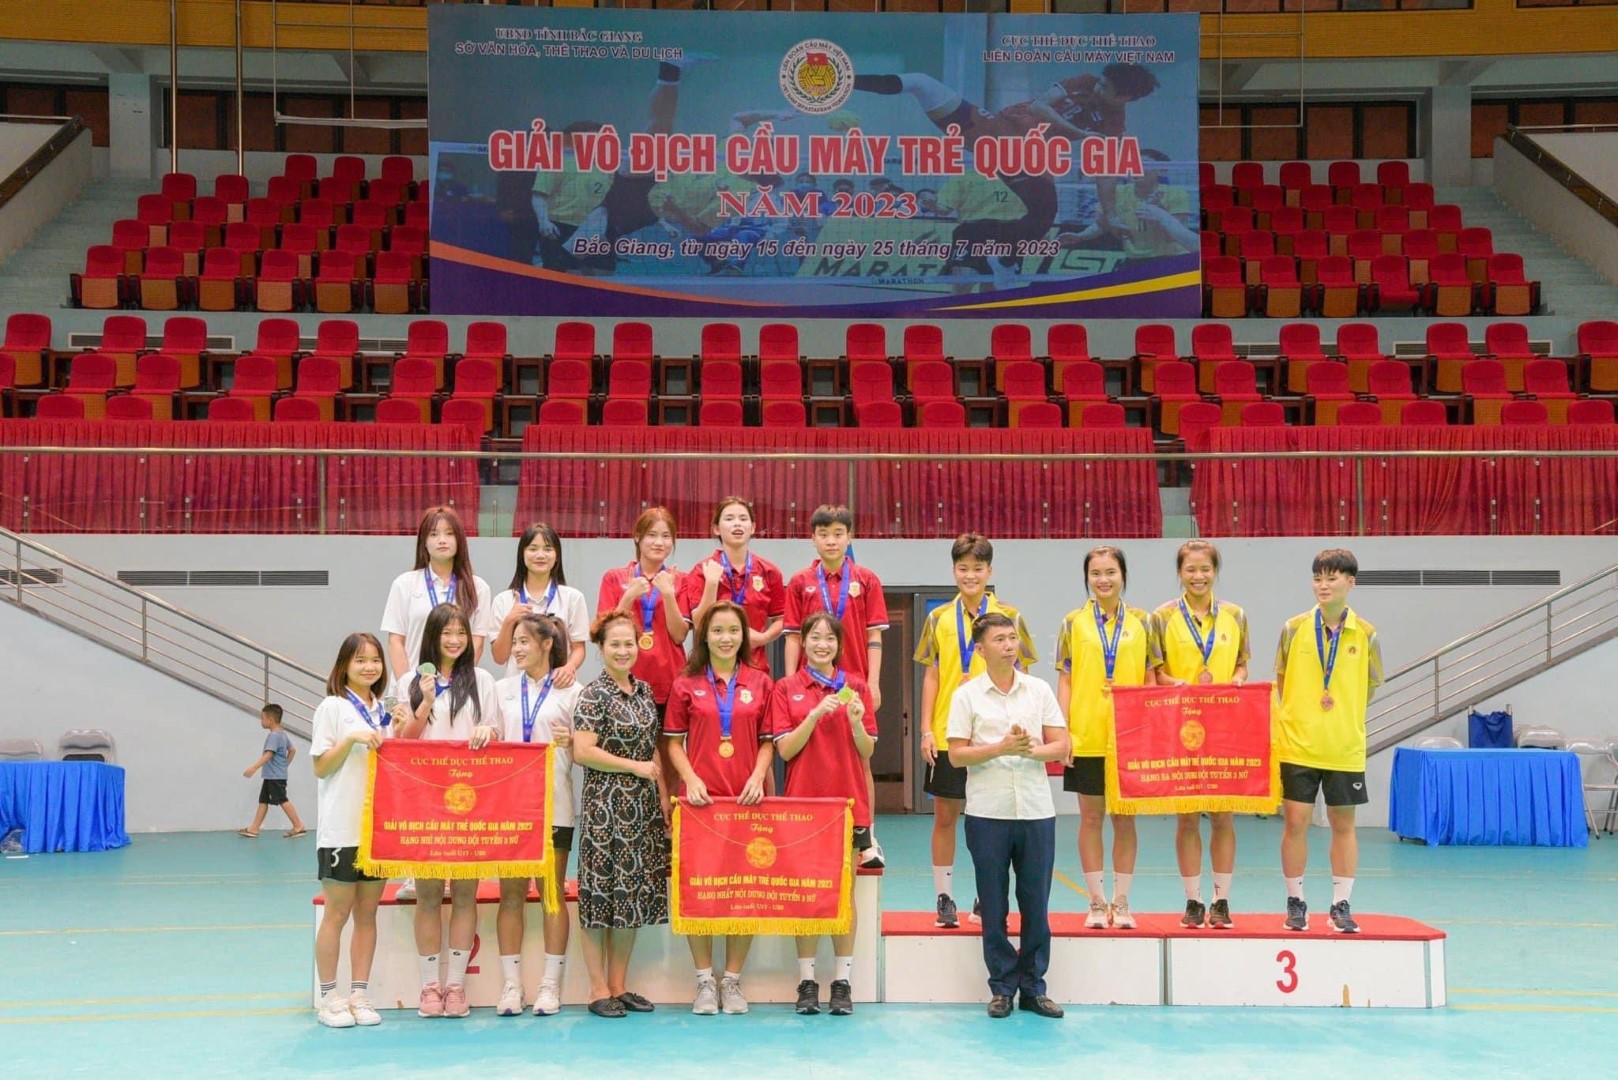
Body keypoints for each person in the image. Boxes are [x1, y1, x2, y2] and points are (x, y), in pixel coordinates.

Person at [852, 63, 1161, 283]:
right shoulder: (1085, 81)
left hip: (1027, 155)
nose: (1098, 87)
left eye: (1106, 88)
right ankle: (843, 82)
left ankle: (997, 255)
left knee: (1042, 216)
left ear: (1125, 98)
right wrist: (1080, 134)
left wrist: (1111, 214)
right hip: (994, 130)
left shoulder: (1113, 125)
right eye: (1100, 81)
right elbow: (1040, 107)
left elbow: (1105, 172)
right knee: (921, 81)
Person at [946, 613, 1070, 1020]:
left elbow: (1062, 745)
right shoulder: (966, 696)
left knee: (1036, 905)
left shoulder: (1038, 690)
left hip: (1036, 811)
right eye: (999, 639)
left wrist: (1029, 749)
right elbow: (956, 755)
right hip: (987, 813)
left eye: (1012, 638)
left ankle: (1033, 988)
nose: (1009, 645)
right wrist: (1000, 748)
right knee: (994, 905)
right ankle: (1002, 988)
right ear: (980, 649)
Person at [914, 533, 1036, 928]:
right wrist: (926, 729)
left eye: (978, 569)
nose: (970, 575)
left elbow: (1024, 672)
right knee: (945, 816)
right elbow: (931, 675)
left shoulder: (1010, 617)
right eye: (963, 568)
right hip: (951, 732)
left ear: (990, 571)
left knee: (995, 820)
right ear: (954, 571)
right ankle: (944, 897)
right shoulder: (937, 618)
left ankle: (988, 896)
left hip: (996, 734)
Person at [663, 601, 774, 1015]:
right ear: (704, 637)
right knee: (701, 893)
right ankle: (704, 983)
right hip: (700, 806)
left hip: (746, 804)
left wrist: (757, 777)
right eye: (717, 631)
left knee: (742, 893)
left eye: (733, 631)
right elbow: (673, 743)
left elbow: (767, 742)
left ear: (744, 637)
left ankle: (732, 981)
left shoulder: (761, 682)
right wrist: (690, 778)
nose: (726, 638)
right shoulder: (685, 683)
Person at [395, 603, 500, 1018]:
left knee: (465, 893)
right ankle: (429, 987)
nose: (454, 640)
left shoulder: (483, 680)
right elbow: (403, 741)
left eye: (461, 633)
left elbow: (496, 732)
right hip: (425, 802)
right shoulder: (409, 680)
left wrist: (488, 730)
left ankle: (455, 986)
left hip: (470, 802)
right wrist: (424, 702)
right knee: (427, 895)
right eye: (446, 633)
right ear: (432, 637)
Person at [770, 611, 877, 1017]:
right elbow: (785, 750)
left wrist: (855, 724)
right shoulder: (787, 688)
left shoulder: (855, 687)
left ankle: (842, 981)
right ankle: (807, 981)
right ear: (803, 642)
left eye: (829, 639)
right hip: (803, 808)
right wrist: (814, 715)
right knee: (806, 895)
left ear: (839, 645)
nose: (821, 645)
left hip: (847, 806)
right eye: (814, 637)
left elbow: (867, 750)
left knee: (843, 894)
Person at [1275, 548, 1383, 934]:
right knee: (1295, 822)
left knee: (1343, 824)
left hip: (1343, 747)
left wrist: (1342, 716)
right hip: (1298, 744)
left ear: (1350, 583)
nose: (1323, 585)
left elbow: (1371, 685)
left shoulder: (1366, 634)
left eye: (1332, 578)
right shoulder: (1293, 629)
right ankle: (1295, 901)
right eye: (1318, 578)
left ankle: (1341, 903)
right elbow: (1282, 679)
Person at [1056, 545, 1161, 930]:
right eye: (1096, 573)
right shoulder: (1073, 623)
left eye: (1110, 572)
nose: (1103, 580)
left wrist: (1150, 730)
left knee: (1126, 821)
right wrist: (1063, 730)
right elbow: (1066, 679)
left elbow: (1150, 678)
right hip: (1086, 736)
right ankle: (1097, 902)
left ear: (1123, 576)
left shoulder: (1144, 622)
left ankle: (1122, 900)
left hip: (1130, 737)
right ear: (1087, 578)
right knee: (1090, 818)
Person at [1150, 540, 1252, 929]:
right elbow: (1155, 672)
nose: (1198, 576)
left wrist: (1238, 680)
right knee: (1188, 819)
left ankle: (1221, 901)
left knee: (1223, 816)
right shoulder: (1161, 617)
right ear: (1180, 573)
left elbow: (1242, 664)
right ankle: (1193, 901)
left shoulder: (1235, 615)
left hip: (1224, 728)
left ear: (1215, 572)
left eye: (1205, 569)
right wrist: (1173, 683)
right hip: (1182, 729)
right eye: (1190, 569)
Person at [573, 610, 669, 1018]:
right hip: (605, 808)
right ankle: (597, 989)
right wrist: (633, 768)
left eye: (629, 643)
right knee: (599, 896)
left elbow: (652, 749)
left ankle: (618, 985)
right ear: (600, 648)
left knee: (630, 895)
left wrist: (662, 796)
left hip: (642, 809)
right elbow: (582, 751)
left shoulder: (644, 690)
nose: (623, 650)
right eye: (615, 644)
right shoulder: (593, 694)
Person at [487, 613, 584, 1017]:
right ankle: (512, 986)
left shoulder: (573, 691)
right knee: (510, 895)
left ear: (547, 644)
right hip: (510, 809)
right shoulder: (501, 689)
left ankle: (550, 986)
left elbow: (584, 752)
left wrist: (572, 741)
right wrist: (486, 734)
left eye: (525, 641)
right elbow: (492, 734)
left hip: (555, 805)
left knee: (552, 893)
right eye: (514, 642)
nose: (517, 649)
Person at [783, 504, 889, 868]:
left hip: (850, 684)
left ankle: (868, 837)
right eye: (824, 534)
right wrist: (790, 682)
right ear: (812, 539)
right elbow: (793, 637)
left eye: (838, 534)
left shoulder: (867, 580)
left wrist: (872, 683)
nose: (831, 540)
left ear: (850, 537)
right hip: (810, 682)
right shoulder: (800, 582)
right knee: (808, 755)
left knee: (860, 759)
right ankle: (802, 829)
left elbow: (874, 637)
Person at [310, 633, 390, 1029]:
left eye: (375, 660)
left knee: (368, 913)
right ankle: (329, 998)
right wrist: (351, 738)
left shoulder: (385, 710)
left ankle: (359, 994)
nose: (369, 667)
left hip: (378, 831)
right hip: (342, 830)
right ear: (344, 666)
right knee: (337, 913)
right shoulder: (333, 707)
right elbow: (321, 767)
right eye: (360, 660)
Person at [380, 506, 494, 691]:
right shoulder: (405, 583)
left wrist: (452, 686)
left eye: (449, 533)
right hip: (410, 687)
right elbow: (396, 642)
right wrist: (409, 686)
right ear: (424, 542)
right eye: (434, 534)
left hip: (455, 690)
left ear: (460, 540)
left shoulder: (478, 588)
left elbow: (477, 643)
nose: (442, 540)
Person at [598, 506, 689, 724]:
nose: (659, 542)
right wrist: (629, 596)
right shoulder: (614, 577)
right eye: (652, 535)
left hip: (669, 681)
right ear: (638, 537)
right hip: (625, 677)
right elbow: (603, 633)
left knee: (667, 744)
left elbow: (679, 636)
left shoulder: (680, 580)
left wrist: (668, 594)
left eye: (666, 536)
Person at [678, 496, 785, 674]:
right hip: (710, 669)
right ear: (716, 528)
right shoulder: (701, 570)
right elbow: (699, 623)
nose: (737, 524)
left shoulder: (769, 571)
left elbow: (782, 619)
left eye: (743, 519)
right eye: (729, 519)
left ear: (753, 527)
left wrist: (764, 637)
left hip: (754, 668)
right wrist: (711, 584)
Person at [490, 521, 590, 683]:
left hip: (558, 685)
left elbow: (579, 649)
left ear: (557, 556)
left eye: (548, 549)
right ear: (522, 554)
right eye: (533, 549)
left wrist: (569, 667)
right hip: (515, 687)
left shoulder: (573, 598)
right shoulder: (503, 600)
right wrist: (509, 621)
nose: (540, 555)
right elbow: (499, 657)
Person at [237, 703, 306, 839]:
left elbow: (269, 754)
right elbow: (292, 750)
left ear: (270, 720)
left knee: (282, 800)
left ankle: (298, 826)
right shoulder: (282, 735)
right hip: (272, 775)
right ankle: (254, 829)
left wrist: (254, 767)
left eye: (262, 718)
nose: (261, 721)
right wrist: (284, 765)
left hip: (275, 776)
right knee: (263, 800)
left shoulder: (273, 736)